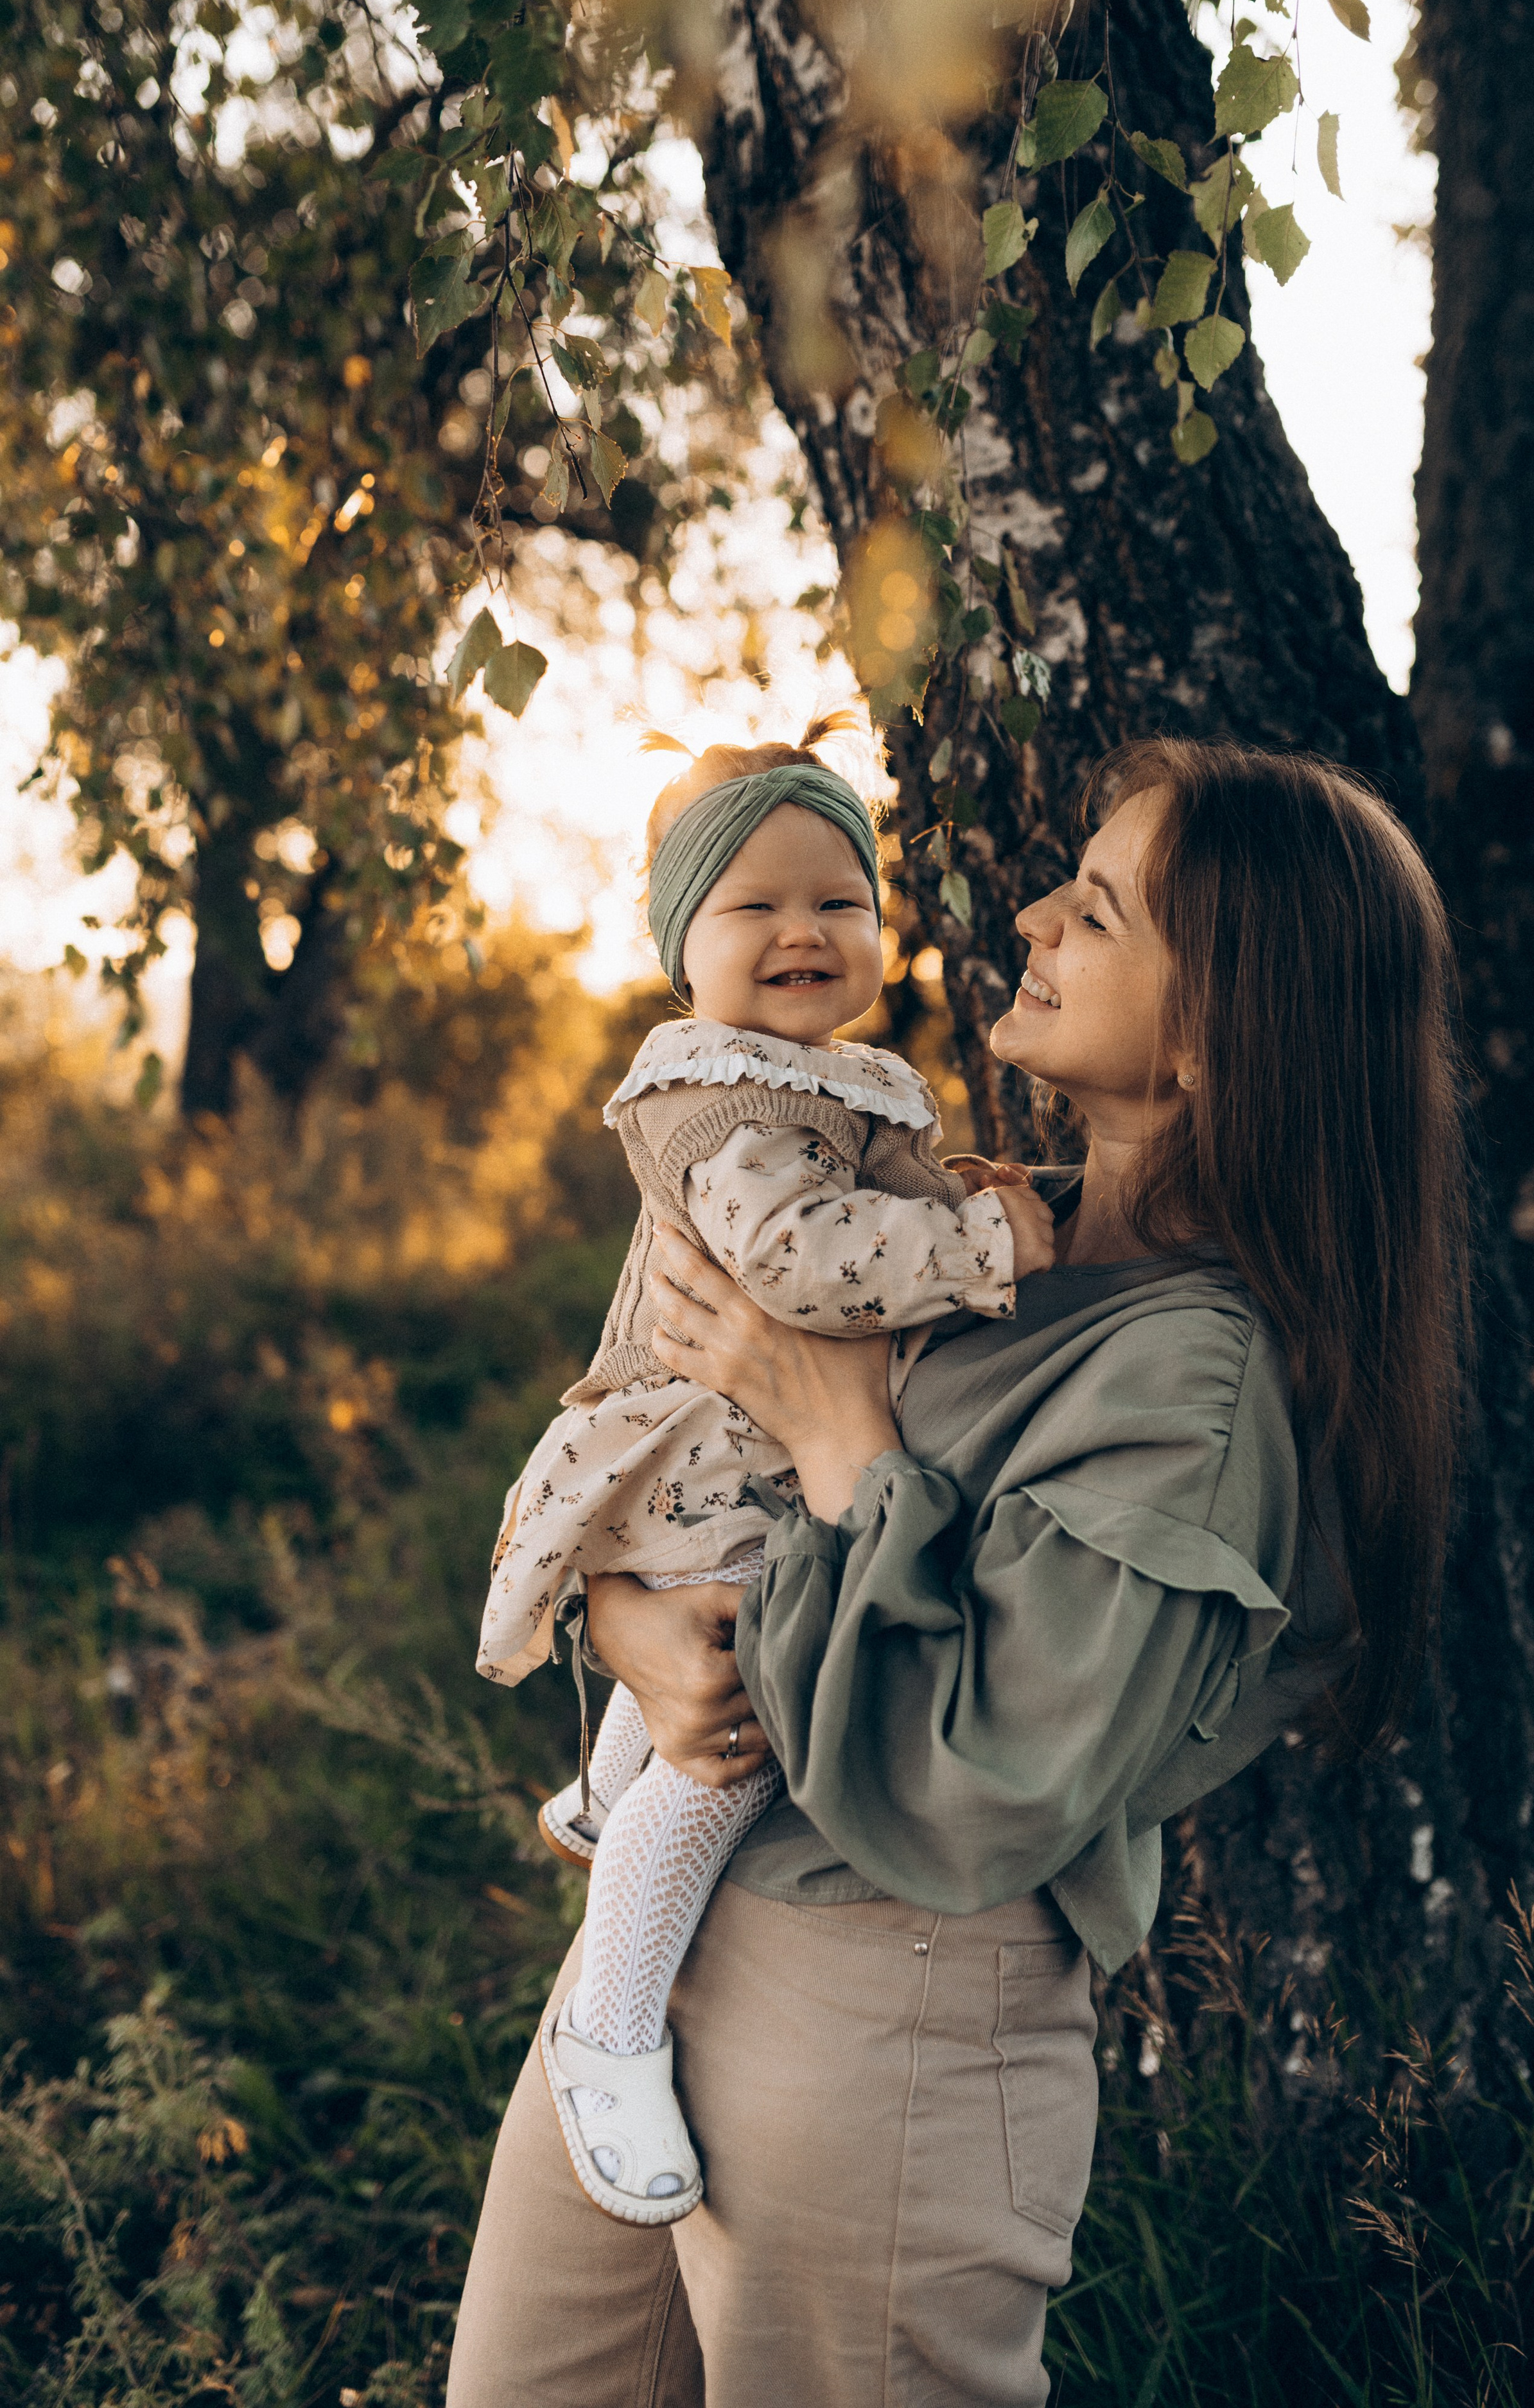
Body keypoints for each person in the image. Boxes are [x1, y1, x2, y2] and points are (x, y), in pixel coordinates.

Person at [448, 735, 1469, 2408]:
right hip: (657, 1953)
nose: (1035, 921)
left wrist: (845, 1430)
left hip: (885, 2011)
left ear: (1215, 1030)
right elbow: (681, 1472)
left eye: (1098, 910)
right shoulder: (966, 1242)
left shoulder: (1192, 1386)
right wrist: (628, 1622)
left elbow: (982, 1785)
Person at [477, 717, 1054, 2227]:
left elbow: (873, 1202)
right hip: (706, 1473)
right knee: (730, 1735)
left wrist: (951, 1188)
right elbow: (802, 1263)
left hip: (746, 1460)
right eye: (753, 905)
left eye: (838, 900)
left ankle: (603, 1795)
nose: (805, 930)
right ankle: (608, 2024)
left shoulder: (834, 1080)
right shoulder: (720, 1098)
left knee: (702, 1697)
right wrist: (986, 1243)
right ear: (682, 945)